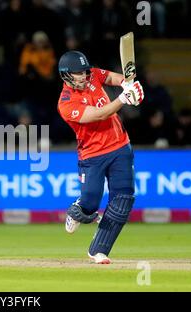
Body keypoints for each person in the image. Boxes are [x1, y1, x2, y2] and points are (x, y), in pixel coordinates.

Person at [57, 50, 144, 264]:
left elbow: (112, 77)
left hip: (120, 146)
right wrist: (124, 98)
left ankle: (99, 250)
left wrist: (127, 84)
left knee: (123, 199)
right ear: (66, 76)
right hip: (92, 155)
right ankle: (78, 210)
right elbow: (99, 114)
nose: (85, 76)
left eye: (85, 71)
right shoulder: (65, 103)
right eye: (78, 73)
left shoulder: (93, 75)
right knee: (90, 203)